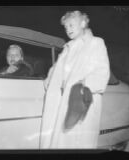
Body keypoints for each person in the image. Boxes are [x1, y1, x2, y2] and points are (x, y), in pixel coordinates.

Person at [40, 10, 110, 149]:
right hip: (63, 103)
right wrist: (50, 81)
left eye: (71, 25)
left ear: (83, 23)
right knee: (61, 143)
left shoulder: (96, 43)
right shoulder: (67, 48)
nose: (68, 30)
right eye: (66, 27)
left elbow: (102, 72)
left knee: (78, 144)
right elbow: (54, 72)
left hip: (82, 104)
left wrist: (83, 84)